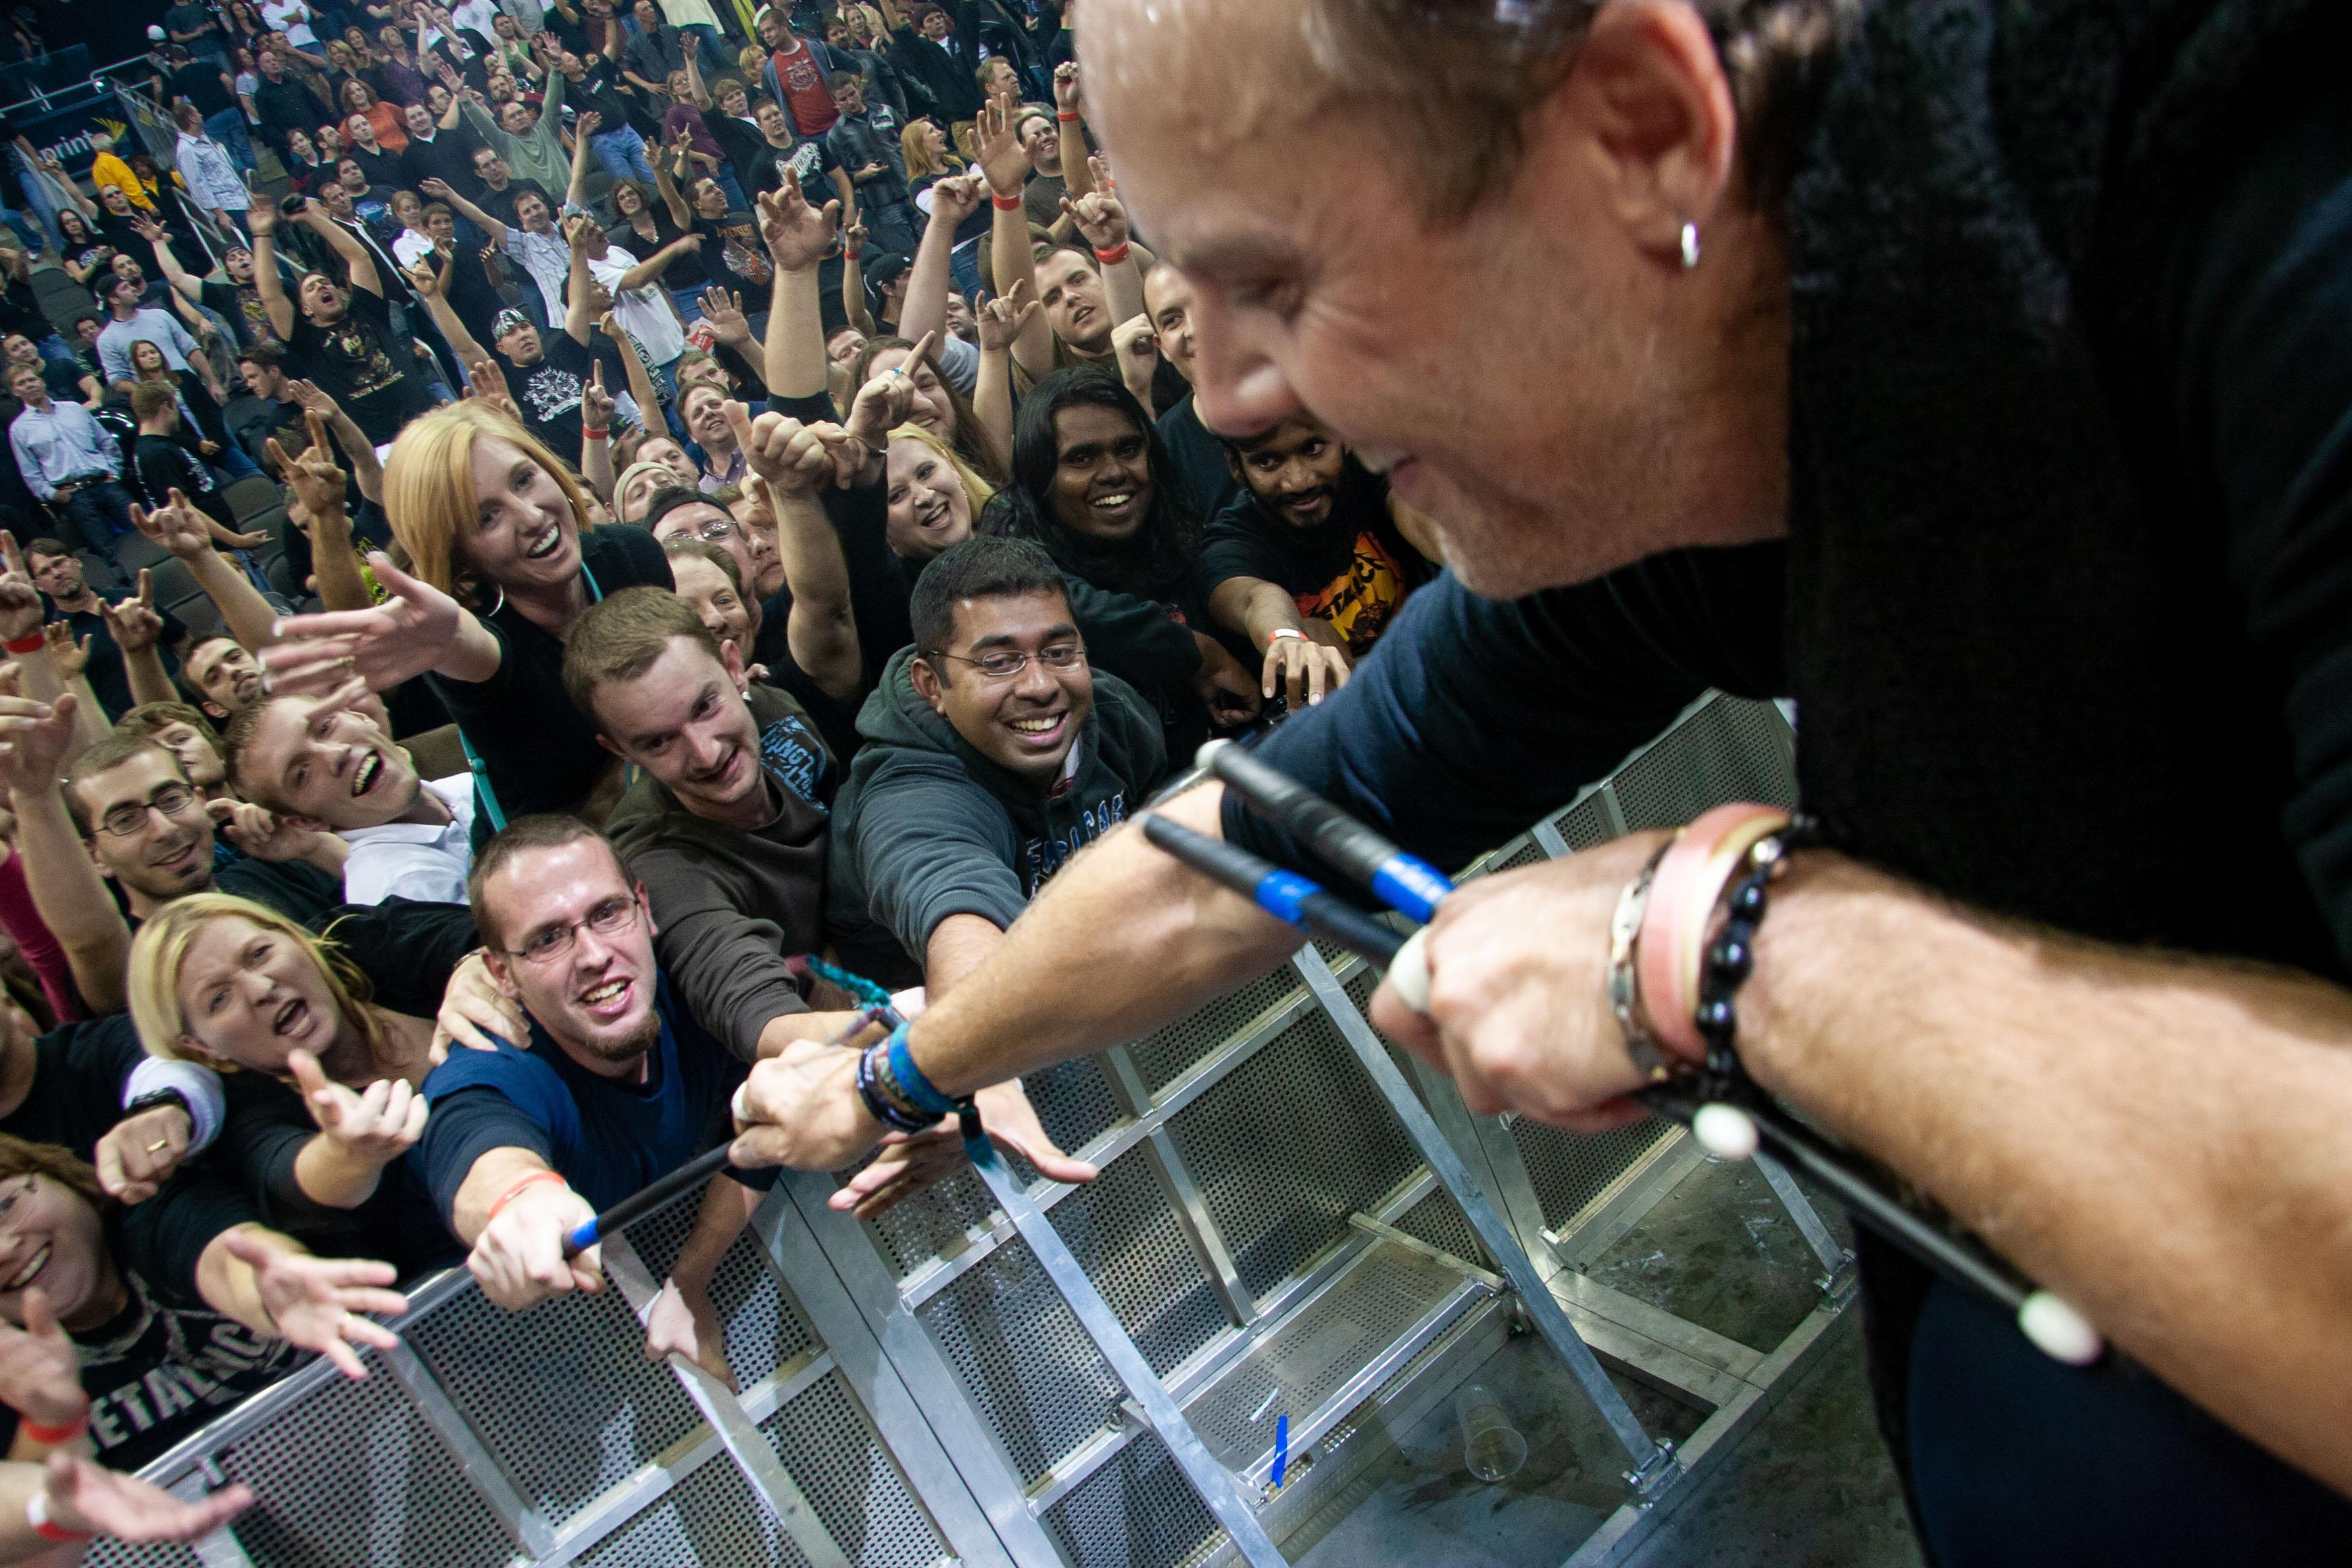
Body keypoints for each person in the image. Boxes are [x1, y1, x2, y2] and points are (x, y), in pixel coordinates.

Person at [723, 0, 2352, 1561]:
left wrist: (1736, 950)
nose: (1218, 394)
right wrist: (902, 1074)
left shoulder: (2271, 211)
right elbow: (1238, 848)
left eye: (1278, 279)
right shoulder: (1668, 396)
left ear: (1641, 132)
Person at [412, 814, 789, 1315]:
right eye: (548, 939)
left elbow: (766, 1121)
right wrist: (520, 1201)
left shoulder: (690, 989)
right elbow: (477, 1139)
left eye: (608, 912)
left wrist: (690, 1281)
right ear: (502, 973)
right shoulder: (498, 1068)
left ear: (644, 908)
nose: (593, 955)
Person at [258, 401, 673, 839]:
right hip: (575, 856)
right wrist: (451, 641)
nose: (532, 516)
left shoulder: (632, 555)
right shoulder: (473, 640)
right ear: (457, 552)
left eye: (524, 480)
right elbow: (472, 650)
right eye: (487, 517)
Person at [829, 533, 1168, 998]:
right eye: (999, 662)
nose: (1040, 686)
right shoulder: (910, 793)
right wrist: (974, 996)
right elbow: (948, 895)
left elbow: (1157, 798)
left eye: (1058, 652)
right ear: (932, 686)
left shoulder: (1114, 714)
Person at [0, 1137, 405, 1471]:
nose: (3, 1251)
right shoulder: (10, 1381)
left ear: (59, 1176)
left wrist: (273, 1288)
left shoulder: (153, 1216)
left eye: (6, 1207)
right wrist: (46, 1421)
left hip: (394, 1428)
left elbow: (224, 1258)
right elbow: (31, 1511)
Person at [1201, 415, 1439, 706]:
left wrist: (1456, 542)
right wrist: (1288, 640)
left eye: (1314, 449)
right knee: (1314, 632)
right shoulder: (1232, 543)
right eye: (1267, 462)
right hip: (1349, 705)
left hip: (1434, 662)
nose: (1299, 481)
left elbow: (1421, 520)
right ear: (1236, 466)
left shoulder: (1373, 474)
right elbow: (1254, 599)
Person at [221, 685, 474, 904]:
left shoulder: (472, 782)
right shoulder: (399, 890)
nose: (336, 754)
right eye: (302, 774)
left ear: (359, 716)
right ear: (307, 821)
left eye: (325, 728)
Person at [249, 201, 437, 451]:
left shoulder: (368, 311)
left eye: (325, 283)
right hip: (382, 445)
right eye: (311, 288)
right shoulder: (306, 339)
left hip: (429, 422)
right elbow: (271, 295)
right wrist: (262, 234)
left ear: (340, 292)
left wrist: (310, 216)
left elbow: (359, 258)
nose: (322, 287)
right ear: (305, 310)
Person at [6, 370, 137, 551]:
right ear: (15, 391)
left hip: (106, 483)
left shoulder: (75, 408)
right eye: (22, 383)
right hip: (73, 497)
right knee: (106, 549)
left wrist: (114, 472)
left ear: (42, 382)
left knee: (145, 529)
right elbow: (31, 473)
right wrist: (53, 494)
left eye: (32, 379)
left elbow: (106, 442)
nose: (29, 385)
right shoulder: (19, 429)